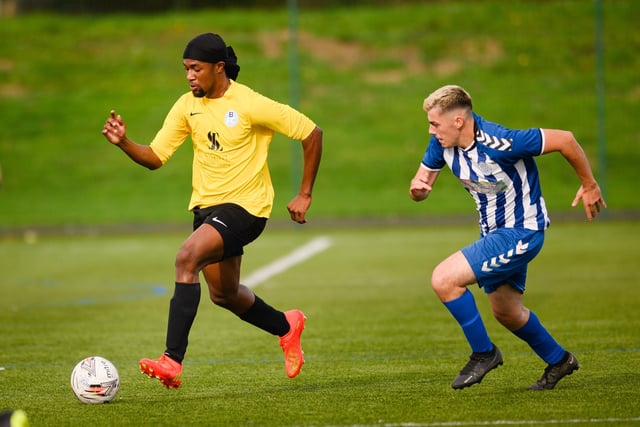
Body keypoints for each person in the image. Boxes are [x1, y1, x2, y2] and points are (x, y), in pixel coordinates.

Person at [101, 33, 323, 389]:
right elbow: (156, 158)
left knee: (186, 257)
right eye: (186, 69)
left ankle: (172, 360)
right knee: (225, 295)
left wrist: (304, 194)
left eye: (196, 68)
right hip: (207, 210)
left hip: (246, 208)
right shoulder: (186, 105)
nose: (189, 76)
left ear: (218, 68)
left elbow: (312, 133)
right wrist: (124, 142)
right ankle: (287, 325)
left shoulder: (249, 103)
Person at [409, 85, 606, 390]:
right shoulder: (442, 144)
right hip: (494, 233)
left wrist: (590, 184)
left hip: (522, 231)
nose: (431, 130)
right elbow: (421, 182)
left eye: (435, 123)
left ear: (458, 121)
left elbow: (565, 140)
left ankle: (484, 354)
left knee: (444, 279)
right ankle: (559, 360)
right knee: (507, 311)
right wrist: (418, 190)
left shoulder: (502, 142)